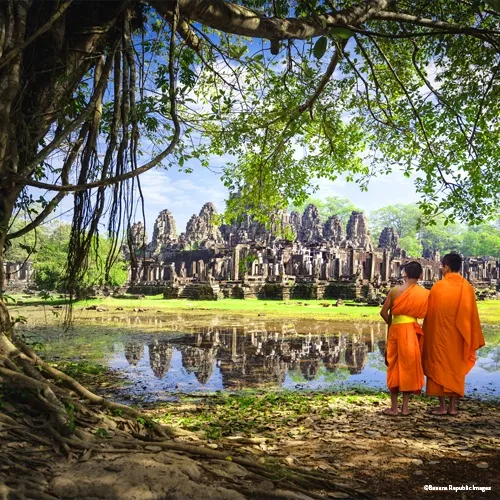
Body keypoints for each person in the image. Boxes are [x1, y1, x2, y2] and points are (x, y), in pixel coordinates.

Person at [422, 253, 485, 415]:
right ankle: (452, 407)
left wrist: (427, 335)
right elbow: (471, 316)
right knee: (455, 368)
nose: (442, 269)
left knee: (439, 366)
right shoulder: (467, 287)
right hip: (459, 337)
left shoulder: (438, 287)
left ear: (447, 267)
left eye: (442, 266)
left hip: (439, 336)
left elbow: (431, 315)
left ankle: (442, 407)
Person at [380, 261, 429, 416]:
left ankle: (394, 408)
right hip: (412, 331)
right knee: (409, 366)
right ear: (421, 275)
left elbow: (383, 312)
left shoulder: (395, 291)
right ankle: (405, 408)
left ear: (404, 274)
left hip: (396, 329)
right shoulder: (425, 293)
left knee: (394, 364)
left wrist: (393, 323)